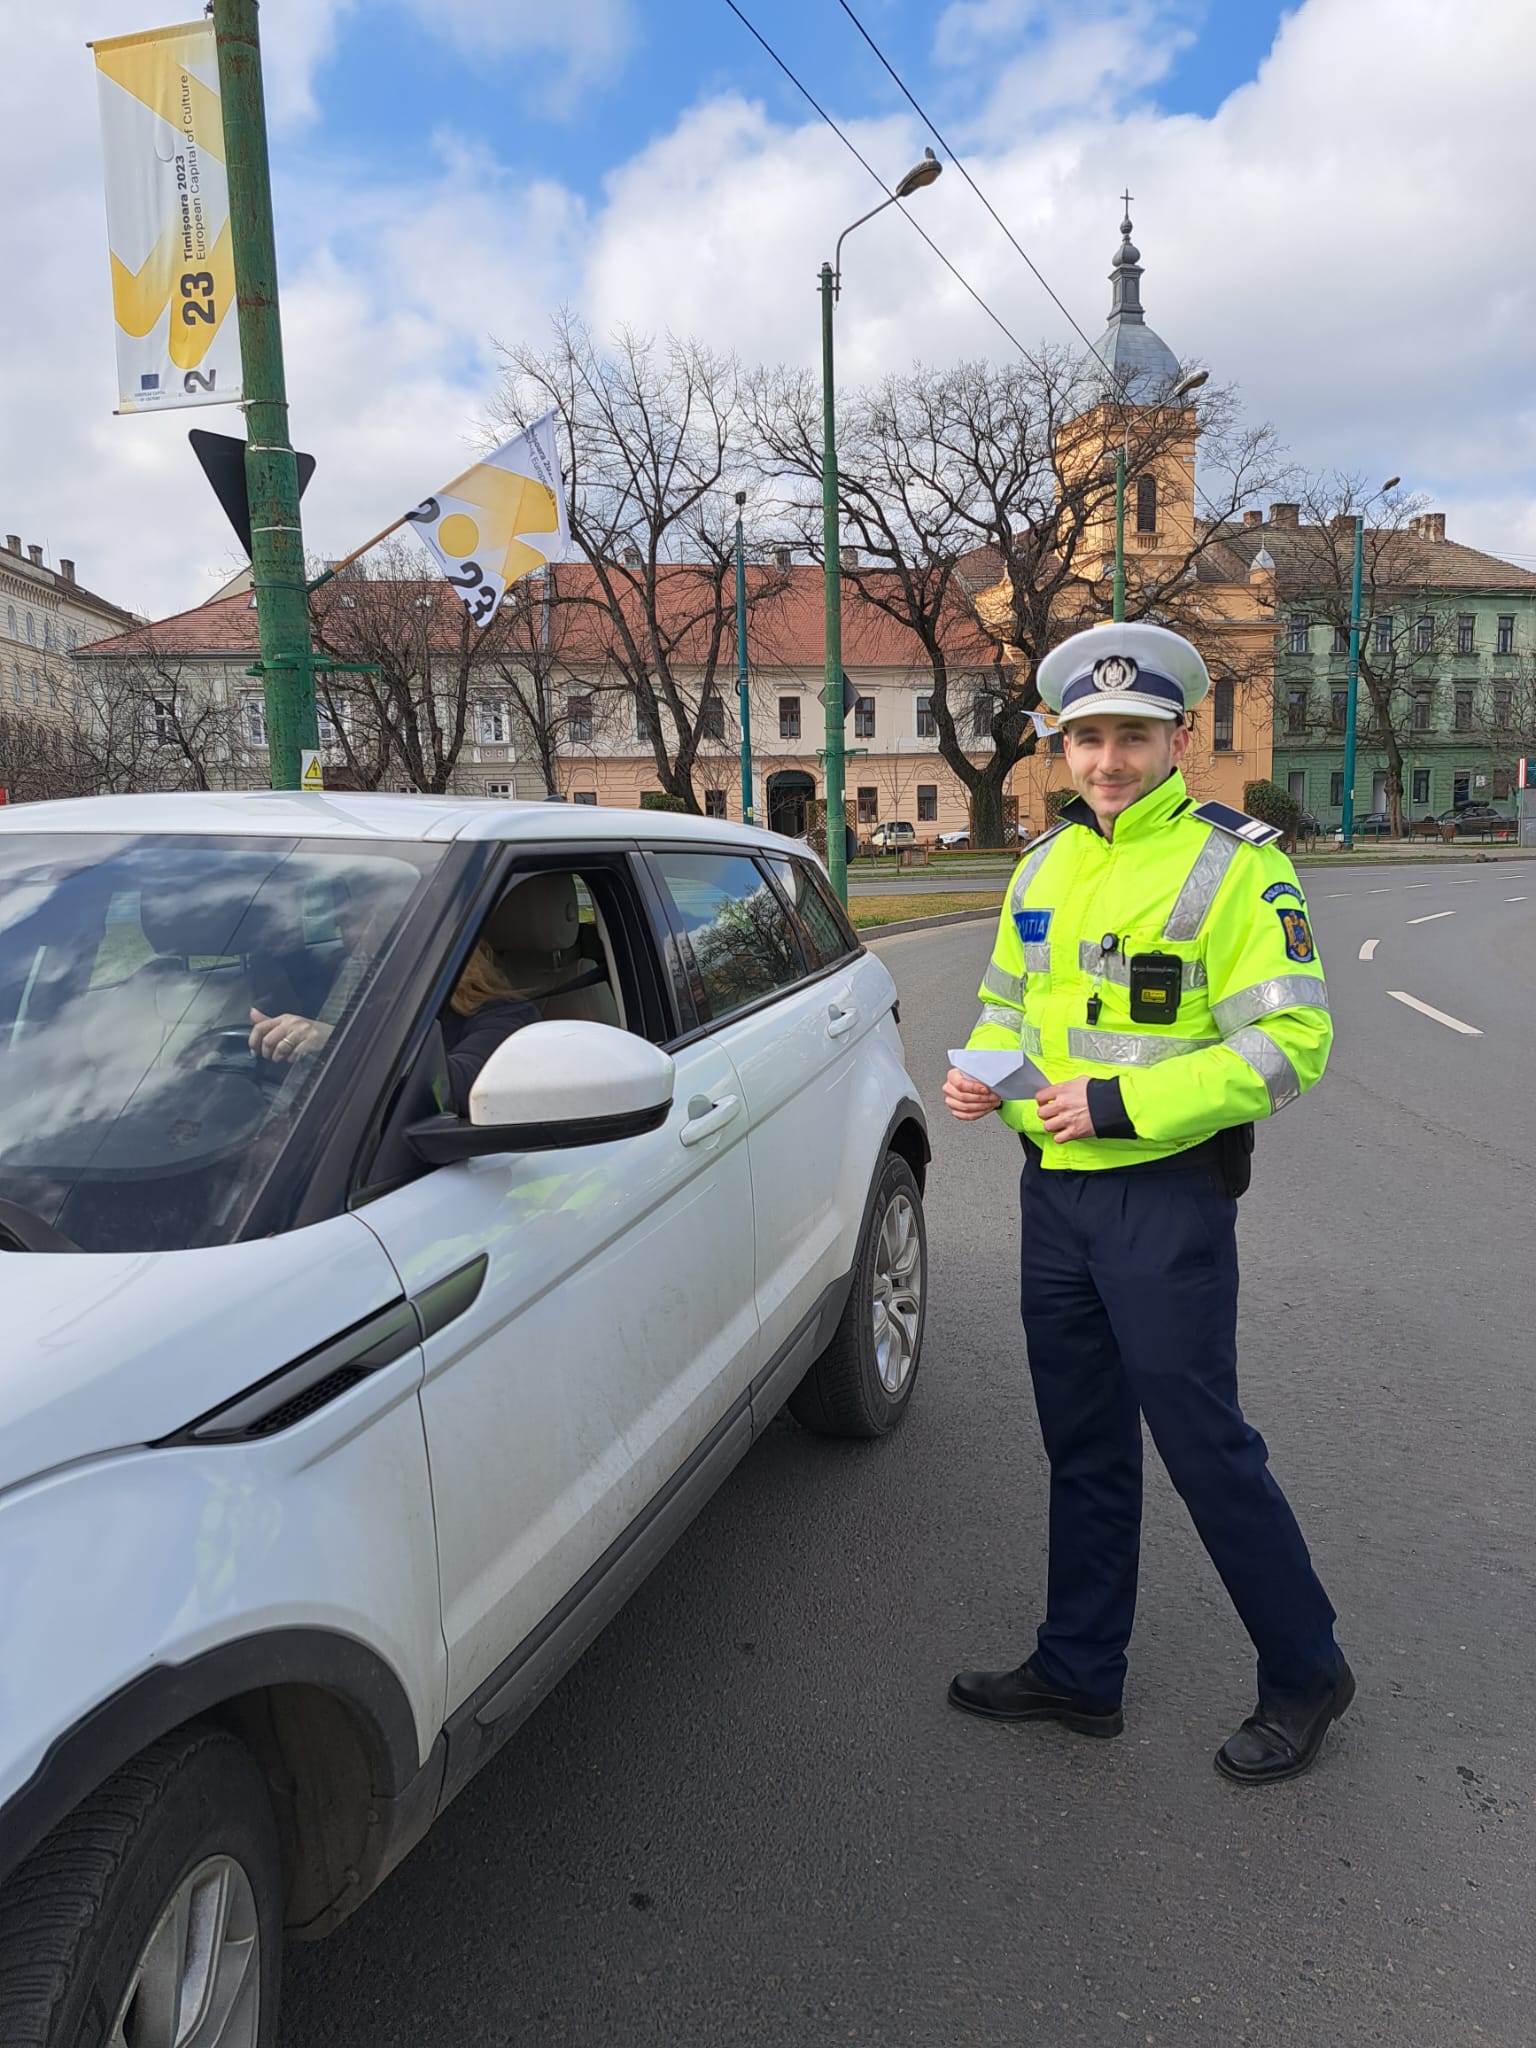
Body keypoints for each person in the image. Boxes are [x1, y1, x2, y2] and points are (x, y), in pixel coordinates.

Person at [942, 620, 1351, 1785]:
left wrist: (1120, 1105)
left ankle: (1307, 1668)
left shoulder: (1238, 863)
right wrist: (983, 1070)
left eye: (1132, 735)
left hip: (1162, 1197)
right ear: (1057, 744)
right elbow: (1007, 1006)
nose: (1109, 759)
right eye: (1087, 738)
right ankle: (1079, 1669)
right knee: (1082, 1443)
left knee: (1204, 1445)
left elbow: (1291, 1046)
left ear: (1178, 736)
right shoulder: (1044, 863)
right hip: (1053, 1198)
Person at [250, 939, 538, 1117]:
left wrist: (341, 1042)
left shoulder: (504, 1014)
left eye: (371, 948)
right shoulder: (363, 997)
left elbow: (462, 1089)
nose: (357, 955)